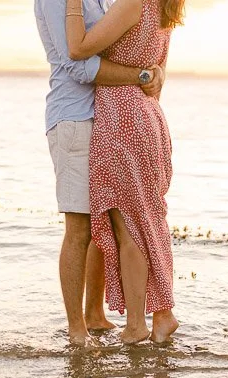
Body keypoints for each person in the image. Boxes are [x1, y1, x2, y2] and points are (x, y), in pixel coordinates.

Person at [35, 0, 165, 347]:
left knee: (103, 224)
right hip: (75, 118)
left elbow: (116, 42)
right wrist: (141, 76)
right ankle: (76, 329)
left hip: (107, 118)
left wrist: (155, 71)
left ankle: (94, 314)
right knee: (78, 227)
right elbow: (77, 65)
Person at [65, 0, 184, 345]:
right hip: (148, 116)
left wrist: (72, 4)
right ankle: (162, 315)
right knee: (148, 220)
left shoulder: (133, 3)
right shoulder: (165, 9)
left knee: (128, 226)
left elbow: (78, 49)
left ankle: (136, 325)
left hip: (122, 120)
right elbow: (158, 73)